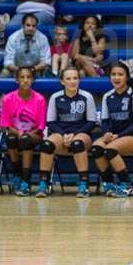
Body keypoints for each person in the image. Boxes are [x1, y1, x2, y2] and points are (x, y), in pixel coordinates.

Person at [39, 66, 97, 198]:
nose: (72, 81)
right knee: (47, 145)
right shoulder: (55, 97)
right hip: (61, 133)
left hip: (82, 133)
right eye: (68, 78)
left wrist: (74, 134)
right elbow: (51, 122)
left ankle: (83, 184)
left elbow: (91, 122)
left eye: (75, 78)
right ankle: (43, 183)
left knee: (77, 143)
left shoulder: (86, 96)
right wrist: (63, 135)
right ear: (62, 81)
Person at [93, 61, 133, 198]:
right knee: (96, 148)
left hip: (132, 136)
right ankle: (109, 184)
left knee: (110, 150)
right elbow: (104, 121)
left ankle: (127, 185)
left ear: (127, 77)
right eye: (113, 74)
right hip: (113, 136)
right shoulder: (107, 96)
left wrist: (118, 135)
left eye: (120, 74)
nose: (116, 78)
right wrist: (106, 133)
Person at [0, 66, 47, 197]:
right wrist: (19, 133)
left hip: (34, 135)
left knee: (26, 140)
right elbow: (6, 125)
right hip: (16, 133)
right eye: (22, 77)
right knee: (10, 139)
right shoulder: (7, 99)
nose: (25, 80)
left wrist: (27, 135)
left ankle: (26, 181)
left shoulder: (40, 99)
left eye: (28, 77)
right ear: (17, 80)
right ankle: (17, 175)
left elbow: (41, 126)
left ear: (33, 80)